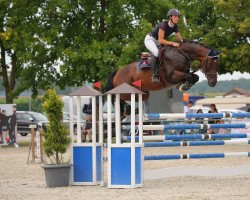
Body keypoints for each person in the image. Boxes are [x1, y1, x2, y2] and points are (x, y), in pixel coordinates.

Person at [144, 8, 183, 83]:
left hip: (158, 41)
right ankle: (154, 74)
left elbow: (179, 39)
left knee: (167, 52)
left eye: (178, 16)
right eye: (175, 16)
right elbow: (161, 40)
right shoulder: (163, 25)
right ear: (170, 17)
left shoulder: (175, 27)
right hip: (150, 39)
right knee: (156, 52)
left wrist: (185, 43)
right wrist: (172, 43)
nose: (177, 18)